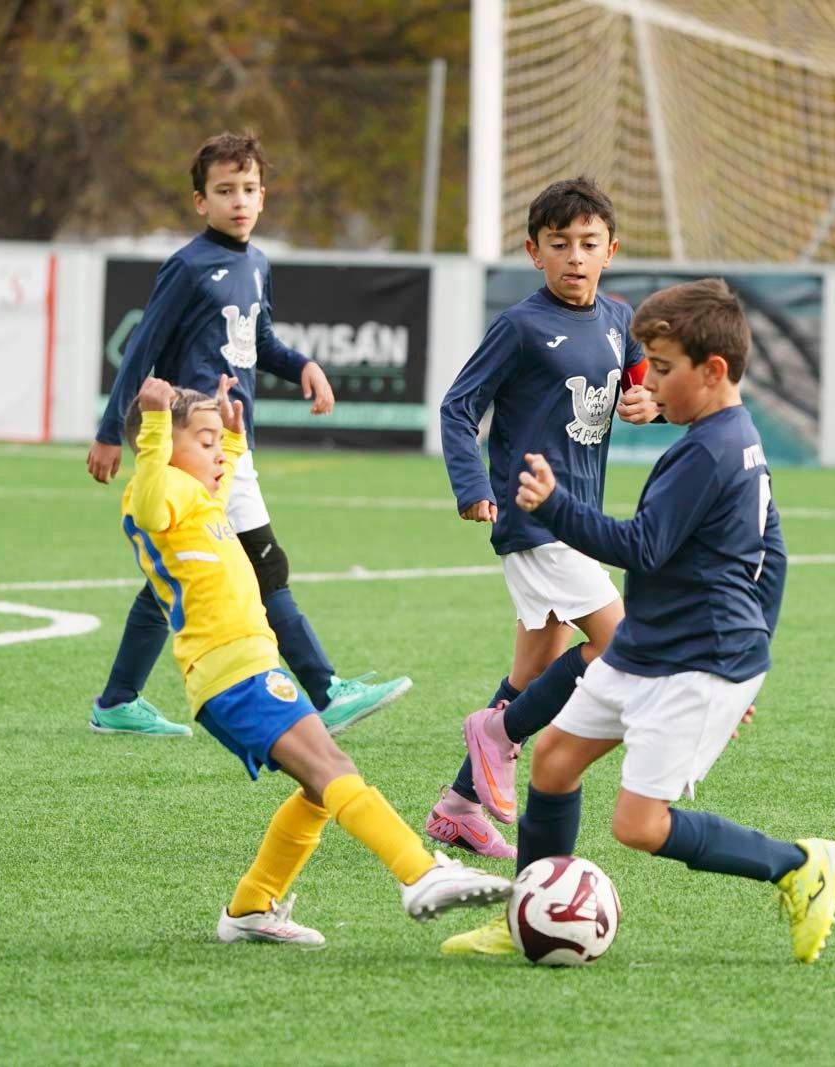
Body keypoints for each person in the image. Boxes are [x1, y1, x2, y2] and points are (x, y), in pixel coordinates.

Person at [442, 279, 835, 962]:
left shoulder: (712, 450)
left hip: (696, 661)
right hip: (653, 647)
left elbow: (643, 546)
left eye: (662, 370)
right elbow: (772, 555)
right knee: (554, 760)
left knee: (638, 823)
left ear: (713, 371)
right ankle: (526, 915)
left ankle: (798, 864)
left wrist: (554, 506)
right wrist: (753, 650)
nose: (648, 383)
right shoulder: (726, 437)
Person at [121, 373, 509, 945]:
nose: (215, 454)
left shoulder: (196, 499)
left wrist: (229, 436)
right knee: (334, 772)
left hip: (252, 665)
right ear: (159, 445)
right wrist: (156, 425)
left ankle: (252, 906)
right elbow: (152, 504)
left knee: (318, 785)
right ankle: (420, 873)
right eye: (201, 443)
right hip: (233, 672)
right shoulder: (156, 492)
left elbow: (209, 491)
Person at [85, 131, 409, 739]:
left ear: (264, 196)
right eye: (225, 190)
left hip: (230, 439)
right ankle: (326, 687)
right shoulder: (185, 268)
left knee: (175, 571)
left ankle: (117, 699)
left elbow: (259, 344)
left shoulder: (256, 265)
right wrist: (110, 431)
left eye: (250, 189)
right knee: (265, 563)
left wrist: (304, 366)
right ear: (199, 202)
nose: (239, 200)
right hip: (197, 445)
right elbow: (141, 352)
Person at [427, 177, 658, 859]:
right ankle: (497, 734)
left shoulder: (619, 319)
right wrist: (474, 485)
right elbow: (457, 407)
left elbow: (637, 377)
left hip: (580, 520)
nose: (575, 257)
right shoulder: (521, 326)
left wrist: (649, 404)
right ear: (534, 251)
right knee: (620, 642)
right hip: (535, 519)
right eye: (560, 245)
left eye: (588, 244)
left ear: (610, 249)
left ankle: (459, 806)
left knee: (534, 673)